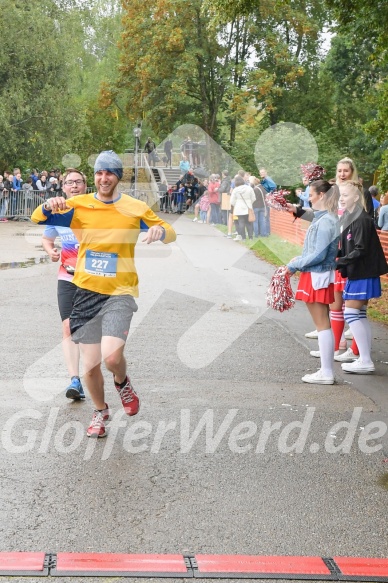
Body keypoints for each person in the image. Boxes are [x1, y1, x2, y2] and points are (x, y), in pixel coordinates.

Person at [31, 151, 176, 437]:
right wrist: (49, 203)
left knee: (111, 359)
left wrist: (159, 230)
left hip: (120, 292)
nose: (103, 178)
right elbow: (38, 218)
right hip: (85, 291)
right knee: (91, 365)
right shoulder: (78, 205)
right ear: (94, 176)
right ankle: (100, 411)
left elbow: (169, 230)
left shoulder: (134, 208)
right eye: (99, 173)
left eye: (109, 173)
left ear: (118, 177)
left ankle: (122, 382)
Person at [286, 181, 340, 385]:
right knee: (322, 324)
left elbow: (319, 254)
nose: (309, 198)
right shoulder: (325, 218)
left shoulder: (326, 221)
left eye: (312, 194)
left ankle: (326, 372)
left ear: (322, 195)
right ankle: (325, 371)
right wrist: (298, 260)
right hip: (316, 273)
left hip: (317, 274)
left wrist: (295, 264)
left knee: (322, 325)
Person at [41, 169, 87, 400]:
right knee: (68, 326)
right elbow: (47, 238)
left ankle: (96, 375)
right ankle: (75, 380)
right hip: (67, 276)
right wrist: (51, 251)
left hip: (93, 278)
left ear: (86, 185)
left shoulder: (93, 209)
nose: (74, 185)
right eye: (70, 182)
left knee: (91, 330)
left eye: (79, 181)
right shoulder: (57, 214)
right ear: (63, 187)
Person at [336, 181, 388, 374]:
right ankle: (364, 359)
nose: (341, 198)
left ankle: (365, 360)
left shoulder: (361, 219)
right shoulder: (349, 217)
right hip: (357, 271)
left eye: (346, 195)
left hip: (363, 271)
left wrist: (339, 262)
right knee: (359, 315)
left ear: (356, 197)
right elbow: (345, 246)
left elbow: (361, 249)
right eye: (340, 195)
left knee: (351, 314)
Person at [230, 175, 256, 241]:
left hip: (239, 208)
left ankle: (243, 237)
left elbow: (232, 201)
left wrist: (236, 203)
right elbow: (253, 198)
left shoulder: (235, 190)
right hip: (248, 207)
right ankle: (250, 237)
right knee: (249, 223)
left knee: (241, 222)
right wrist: (250, 203)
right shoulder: (249, 188)